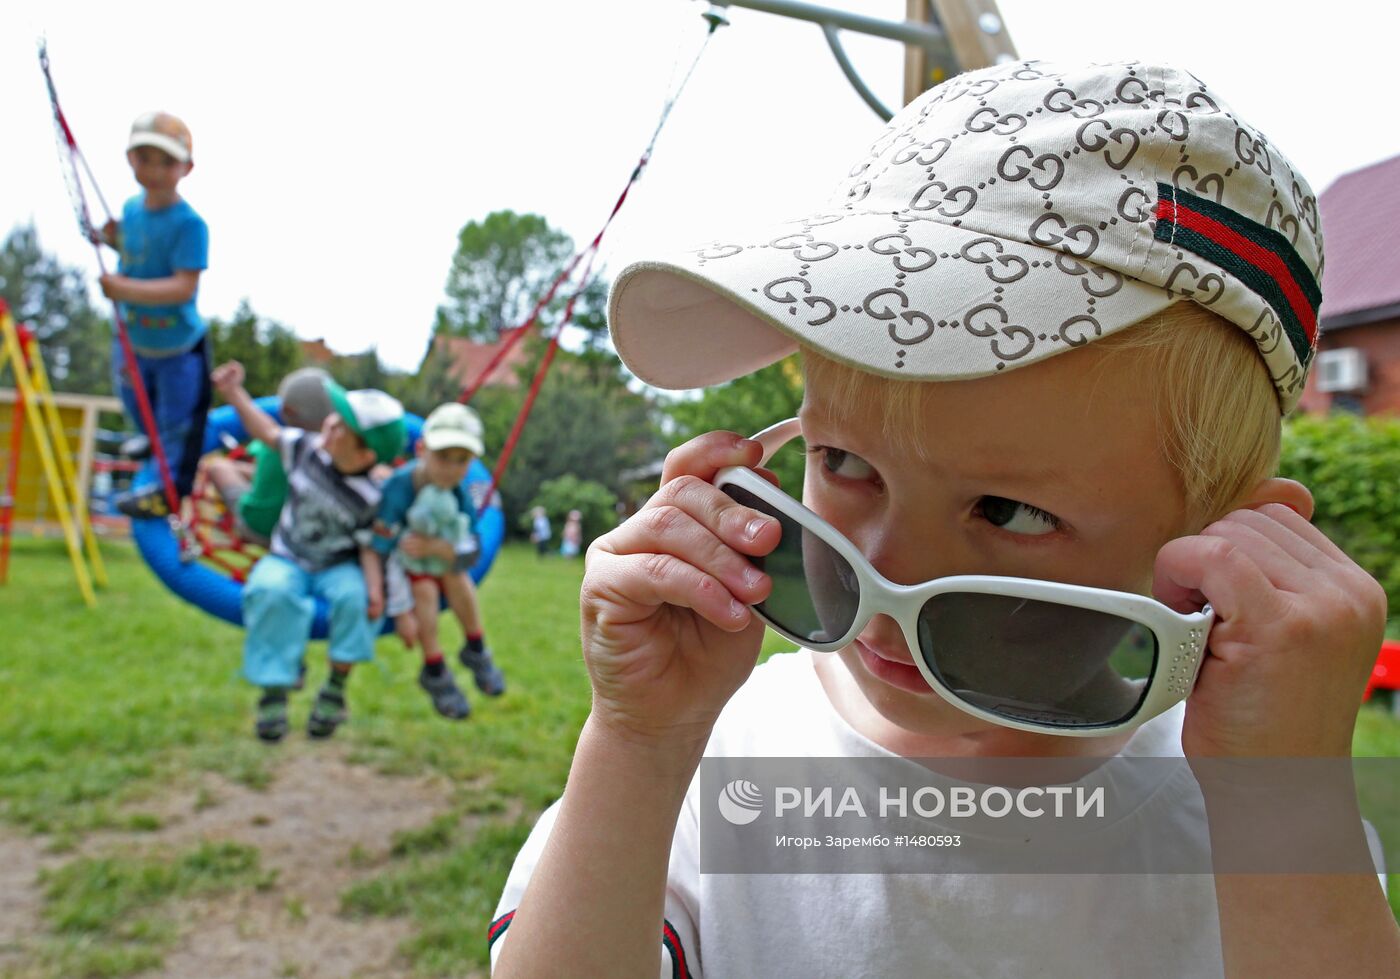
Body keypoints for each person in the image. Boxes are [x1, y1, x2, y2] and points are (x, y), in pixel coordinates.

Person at [489, 61, 1399, 977]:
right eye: (844, 461)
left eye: (1009, 509)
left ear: (1229, 550)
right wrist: (638, 744)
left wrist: (1282, 800)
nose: (891, 567)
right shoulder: (720, 759)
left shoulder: (1261, 822)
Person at [212, 359, 406, 743]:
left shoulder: (376, 495)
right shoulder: (305, 449)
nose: (327, 424)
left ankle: (335, 686)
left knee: (357, 601)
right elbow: (266, 430)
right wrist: (234, 393)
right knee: (269, 591)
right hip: (287, 555)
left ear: (365, 455)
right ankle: (274, 691)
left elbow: (372, 546)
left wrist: (377, 591)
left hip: (339, 565)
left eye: (339, 425)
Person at [96, 111, 211, 519]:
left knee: (178, 419)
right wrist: (110, 239)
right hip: (133, 340)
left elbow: (183, 286)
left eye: (167, 161)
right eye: (145, 157)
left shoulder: (190, 224)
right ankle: (148, 439)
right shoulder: (131, 211)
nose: (155, 169)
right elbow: (138, 254)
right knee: (132, 397)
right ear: (130, 158)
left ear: (186, 168)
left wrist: (122, 289)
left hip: (179, 346)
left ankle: (167, 492)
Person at [373, 403, 505, 719]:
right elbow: (379, 543)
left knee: (456, 574)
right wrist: (399, 607)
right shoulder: (400, 486)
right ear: (422, 449)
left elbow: (471, 540)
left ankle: (476, 648)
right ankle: (434, 667)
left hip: (439, 562)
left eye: (462, 461)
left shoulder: (458, 491)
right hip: (401, 568)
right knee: (426, 592)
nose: (451, 468)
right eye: (443, 457)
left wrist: (443, 549)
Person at [205, 367, 334, 547]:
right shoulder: (330, 453)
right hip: (295, 532)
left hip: (257, 528)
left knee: (218, 466)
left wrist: (232, 391)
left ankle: (227, 522)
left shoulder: (289, 444)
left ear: (285, 410)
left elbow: (261, 425)